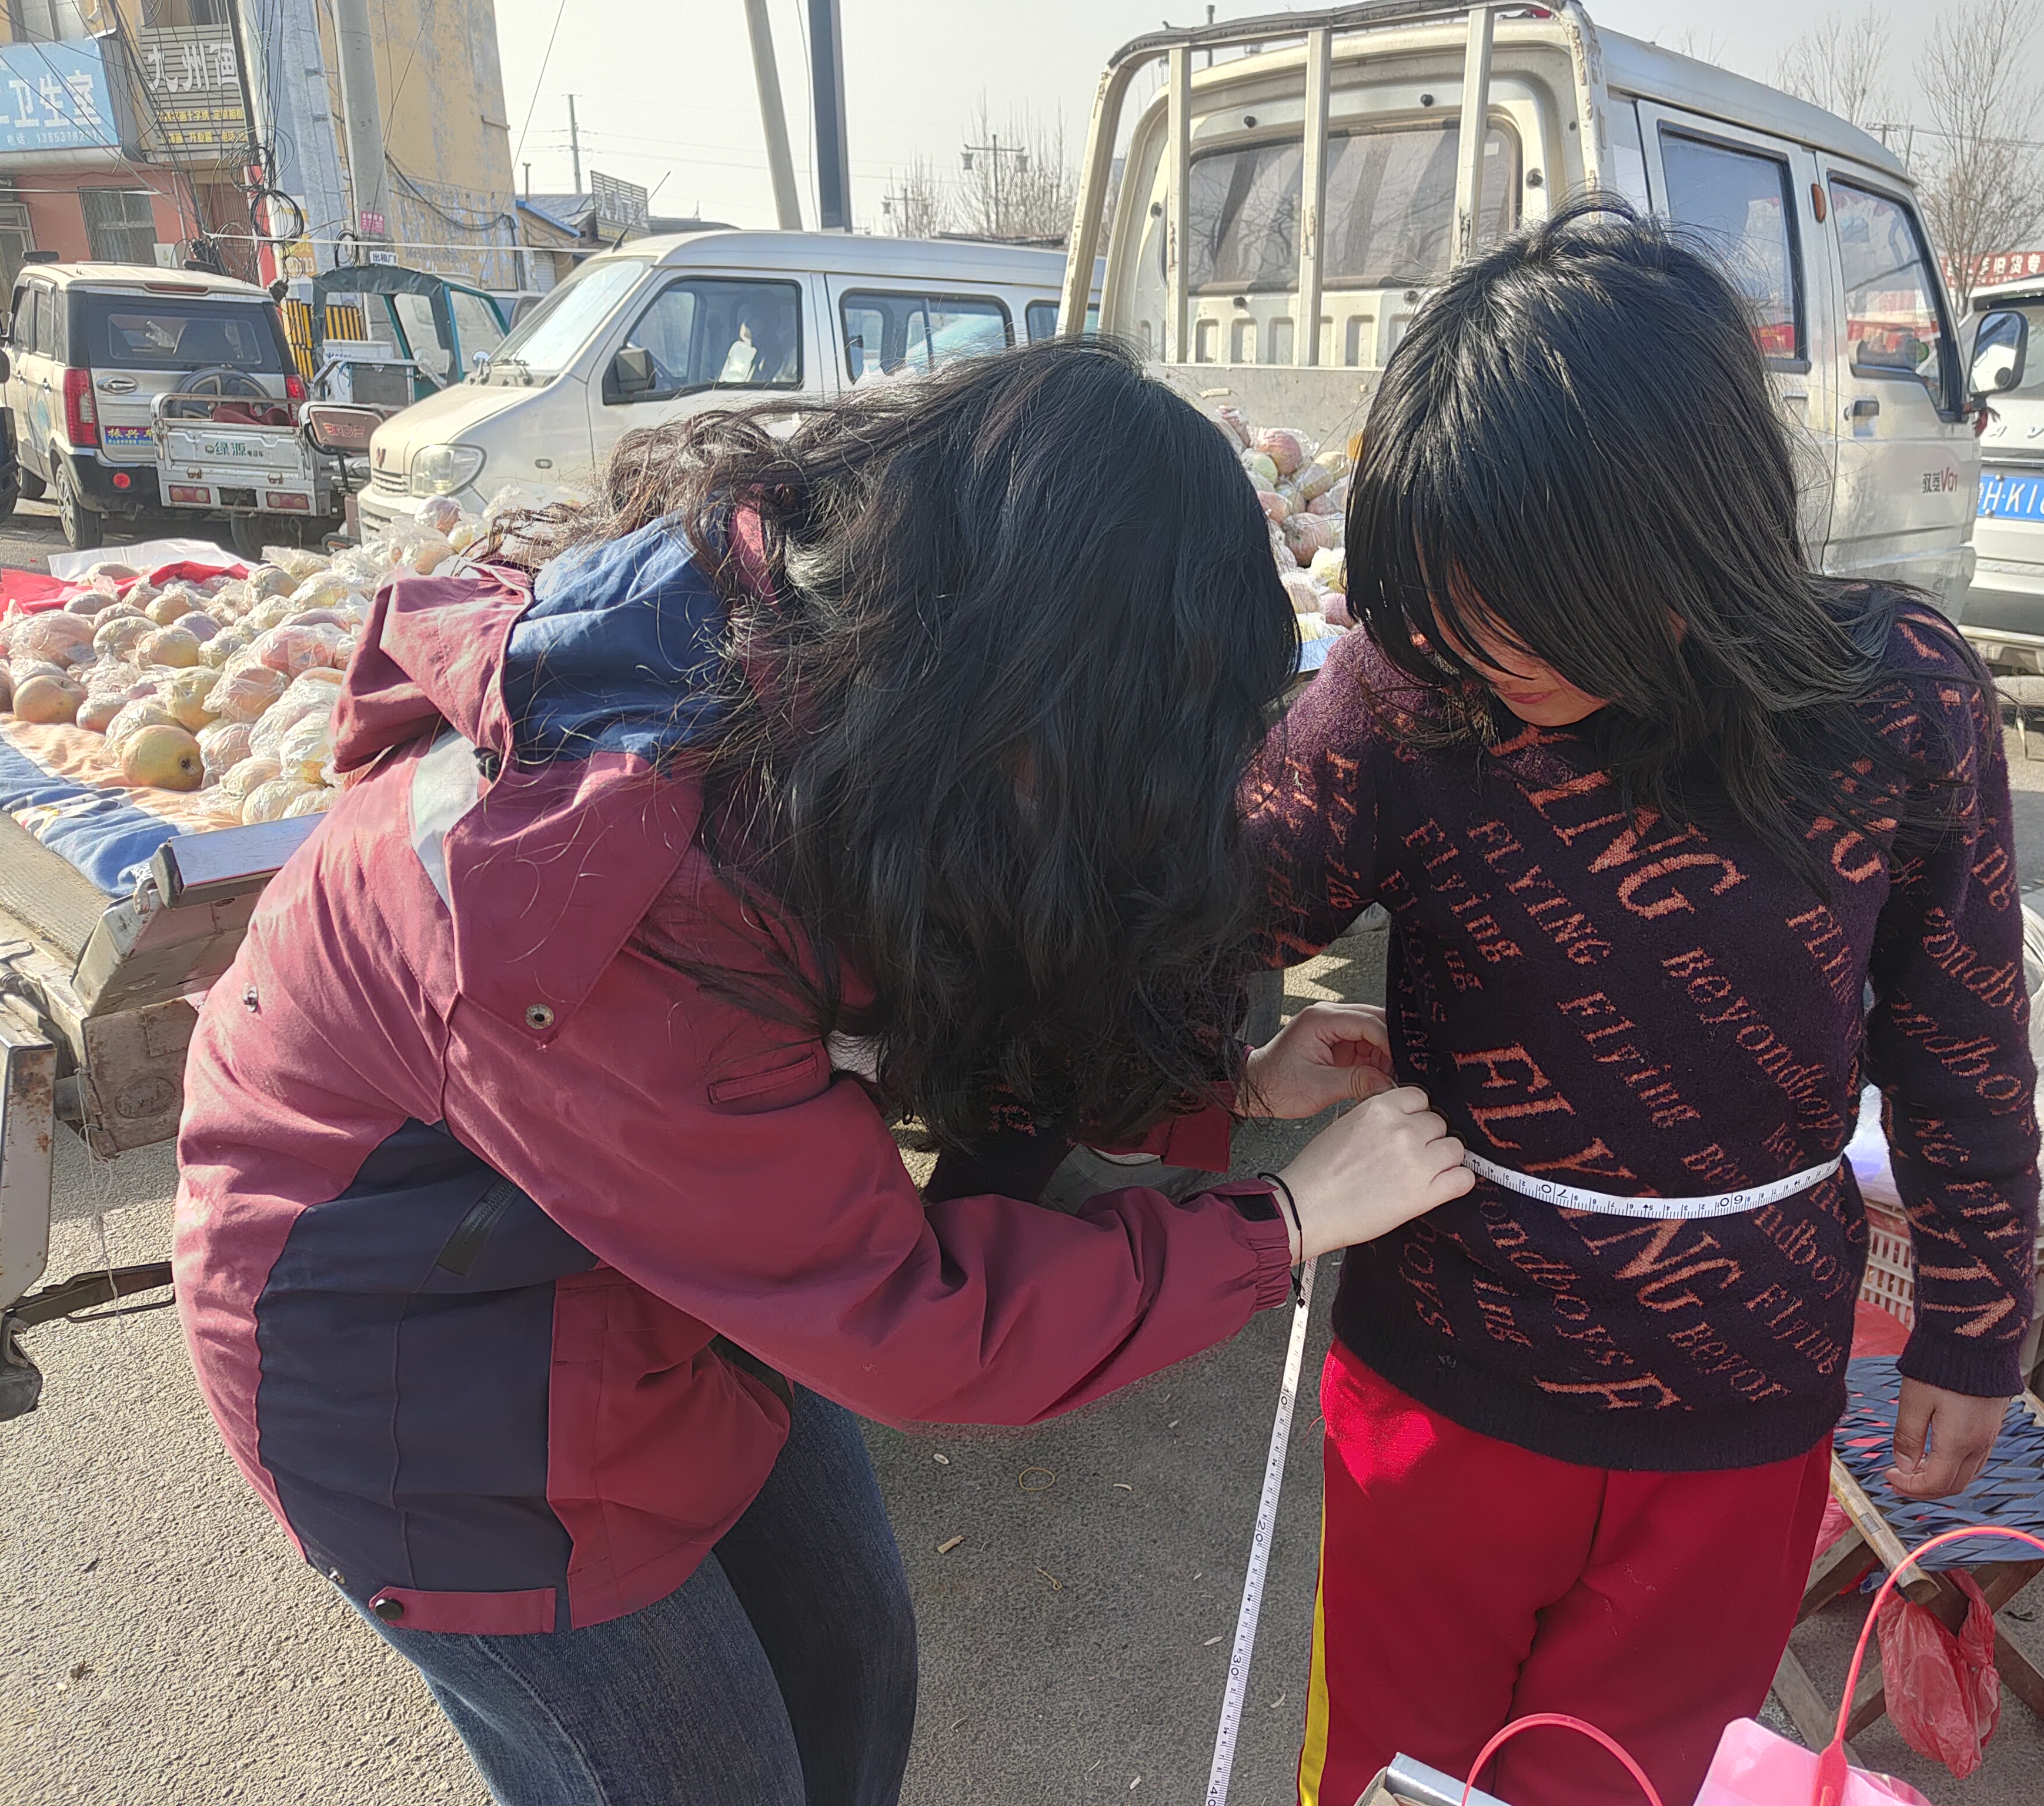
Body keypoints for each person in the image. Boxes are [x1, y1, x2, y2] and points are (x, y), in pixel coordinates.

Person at [172, 338, 1473, 1806]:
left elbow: (936, 984)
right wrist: (1278, 1226)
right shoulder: (622, 893)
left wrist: (1227, 1087)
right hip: (418, 1365)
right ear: (1037, 685)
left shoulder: (844, 690)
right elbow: (913, 1326)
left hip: (649, 1242)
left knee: (848, 1657)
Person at [1247, 197, 2042, 1806]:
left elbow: (1961, 1040)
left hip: (1739, 1409)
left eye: (1534, 597)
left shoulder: (1895, 700)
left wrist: (1975, 1325)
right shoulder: (1409, 696)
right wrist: (1230, 1077)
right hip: (1441, 1394)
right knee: (1395, 1780)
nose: (1484, 647)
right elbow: (1197, 913)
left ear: (1692, 520)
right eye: (1445, 601)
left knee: (1623, 1784)